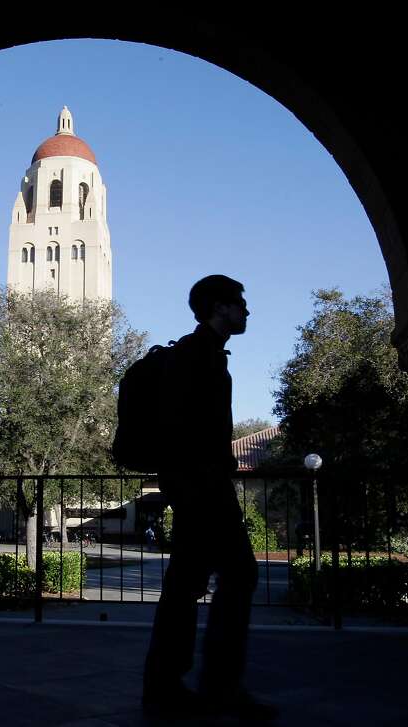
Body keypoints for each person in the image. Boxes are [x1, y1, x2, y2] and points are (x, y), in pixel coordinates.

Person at [142, 275, 277, 721]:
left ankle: (169, 686)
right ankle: (215, 687)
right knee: (238, 574)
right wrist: (201, 480)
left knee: (186, 584)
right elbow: (182, 428)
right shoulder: (196, 357)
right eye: (240, 303)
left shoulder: (204, 355)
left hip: (196, 486)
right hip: (201, 489)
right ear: (219, 307)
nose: (246, 311)